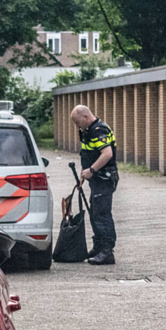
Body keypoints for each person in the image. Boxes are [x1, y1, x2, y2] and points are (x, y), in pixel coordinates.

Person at [70, 105, 119, 265]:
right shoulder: (88, 131)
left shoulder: (98, 130)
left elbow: (107, 154)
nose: (78, 126)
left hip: (104, 179)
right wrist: (83, 175)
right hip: (96, 179)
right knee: (95, 213)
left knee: (102, 214)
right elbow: (88, 154)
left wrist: (91, 170)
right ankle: (98, 247)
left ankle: (107, 251)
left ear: (85, 117)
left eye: (78, 123)